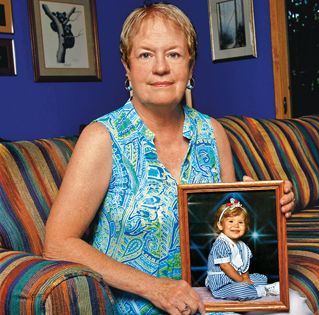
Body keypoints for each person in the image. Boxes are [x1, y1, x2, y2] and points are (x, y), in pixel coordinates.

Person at [43, 3, 295, 315]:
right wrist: (154, 287)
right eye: (145, 54)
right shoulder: (102, 138)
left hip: (210, 299)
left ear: (190, 66)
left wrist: (267, 205)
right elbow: (58, 243)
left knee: (294, 305)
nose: (160, 67)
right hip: (134, 304)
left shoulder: (212, 132)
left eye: (174, 54)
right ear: (127, 66)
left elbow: (223, 232)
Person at [206, 198, 280, 301]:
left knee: (262, 278)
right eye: (231, 221)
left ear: (246, 227)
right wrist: (241, 280)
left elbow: (245, 265)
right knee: (241, 290)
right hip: (222, 283)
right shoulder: (221, 244)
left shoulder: (241, 245)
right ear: (220, 225)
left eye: (240, 222)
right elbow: (225, 266)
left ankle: (256, 287)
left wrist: (246, 278)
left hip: (237, 277)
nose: (236, 225)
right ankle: (264, 290)